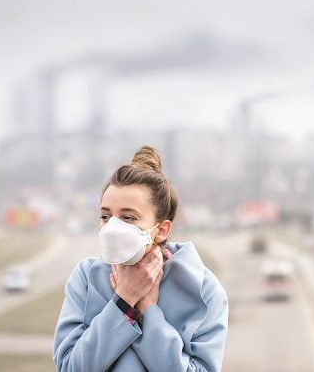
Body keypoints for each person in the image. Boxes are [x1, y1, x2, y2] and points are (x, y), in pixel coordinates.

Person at [53, 146, 229, 372]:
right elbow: (69, 367)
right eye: (106, 216)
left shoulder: (204, 289)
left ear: (162, 230)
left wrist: (149, 311)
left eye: (128, 217)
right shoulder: (86, 277)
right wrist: (124, 301)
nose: (112, 227)